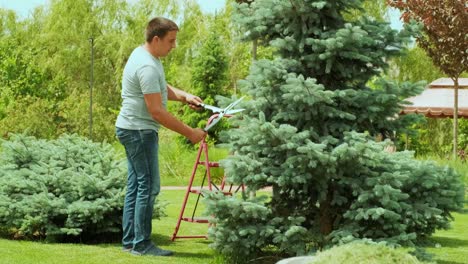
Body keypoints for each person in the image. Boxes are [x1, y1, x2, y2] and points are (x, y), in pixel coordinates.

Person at [115, 17, 206, 257]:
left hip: (131, 128)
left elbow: (160, 88)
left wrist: (185, 96)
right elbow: (156, 111)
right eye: (171, 41)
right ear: (156, 39)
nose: (174, 46)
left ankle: (130, 241)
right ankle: (142, 245)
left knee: (136, 185)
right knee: (149, 186)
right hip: (139, 132)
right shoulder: (146, 65)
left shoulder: (146, 57)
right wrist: (191, 133)